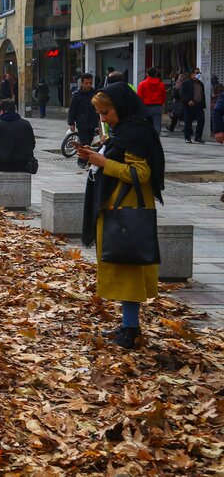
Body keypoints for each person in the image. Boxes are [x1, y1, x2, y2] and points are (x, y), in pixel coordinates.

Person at [79, 82, 164, 349]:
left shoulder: (136, 133)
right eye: (100, 114)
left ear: (122, 107)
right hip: (117, 209)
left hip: (128, 211)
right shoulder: (122, 131)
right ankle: (128, 325)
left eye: (107, 113)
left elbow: (141, 174)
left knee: (128, 268)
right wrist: (95, 155)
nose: (104, 119)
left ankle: (130, 329)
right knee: (123, 268)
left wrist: (104, 162)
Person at [0, 100, 36, 197]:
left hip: (2, 163)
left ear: (1, 111)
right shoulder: (26, 124)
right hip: (23, 164)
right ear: (14, 110)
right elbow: (32, 144)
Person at [67, 72, 99, 147]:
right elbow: (72, 109)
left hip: (93, 124)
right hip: (82, 125)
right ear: (82, 83)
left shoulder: (95, 93)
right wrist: (71, 123)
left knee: (88, 145)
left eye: (90, 83)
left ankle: (83, 158)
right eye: (86, 83)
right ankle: (82, 158)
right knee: (86, 145)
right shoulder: (77, 95)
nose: (89, 85)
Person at [179, 67, 206, 143]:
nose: (198, 74)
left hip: (199, 105)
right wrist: (188, 100)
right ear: (192, 74)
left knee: (201, 120)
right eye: (196, 73)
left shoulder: (201, 84)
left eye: (199, 73)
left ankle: (198, 137)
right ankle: (187, 137)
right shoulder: (186, 83)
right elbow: (182, 93)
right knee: (188, 122)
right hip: (189, 105)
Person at [136, 67, 166, 133]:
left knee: (145, 123)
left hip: (146, 106)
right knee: (157, 124)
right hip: (157, 106)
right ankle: (156, 138)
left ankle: (147, 138)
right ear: (156, 74)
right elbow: (163, 96)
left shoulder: (142, 84)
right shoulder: (161, 84)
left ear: (147, 74)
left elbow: (139, 97)